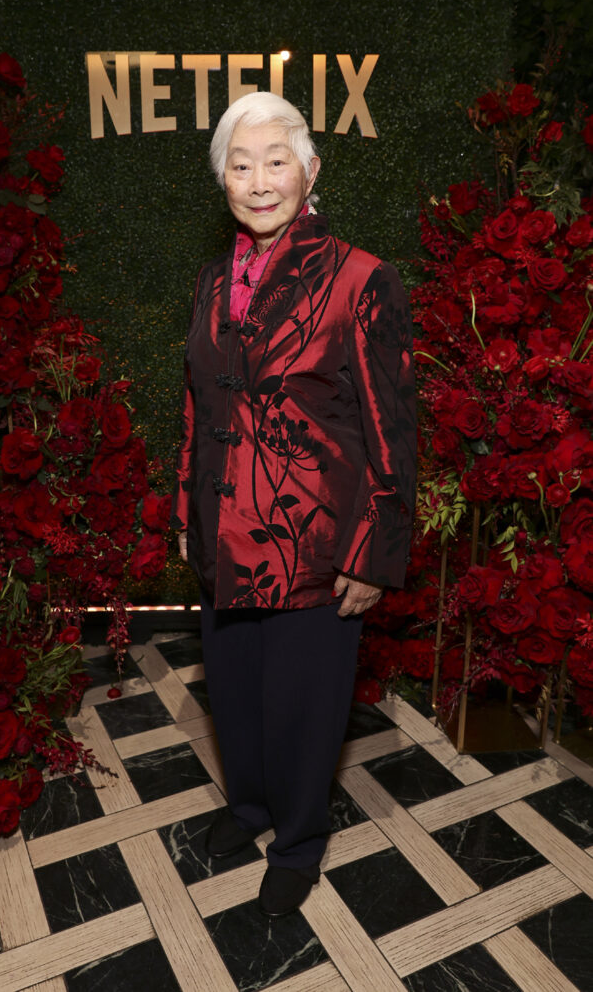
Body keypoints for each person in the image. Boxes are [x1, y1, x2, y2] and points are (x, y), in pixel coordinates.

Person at [171, 91, 417, 916]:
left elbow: (391, 426)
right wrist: (186, 516)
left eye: (276, 161)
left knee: (304, 707)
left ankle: (299, 840)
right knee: (235, 693)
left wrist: (374, 553)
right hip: (223, 529)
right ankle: (248, 808)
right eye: (240, 166)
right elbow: (197, 409)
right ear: (224, 183)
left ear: (310, 170)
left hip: (316, 540)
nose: (259, 180)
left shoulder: (361, 277)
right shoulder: (211, 278)